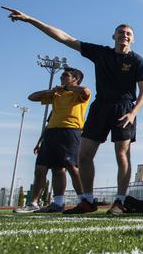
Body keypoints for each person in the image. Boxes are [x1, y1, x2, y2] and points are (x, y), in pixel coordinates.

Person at [3, 7, 143, 215]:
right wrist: (30, 20)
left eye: (128, 34)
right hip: (100, 107)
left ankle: (120, 201)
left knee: (122, 154)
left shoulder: (138, 61)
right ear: (114, 36)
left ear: (133, 39)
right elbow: (65, 38)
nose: (124, 35)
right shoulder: (100, 53)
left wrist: (134, 112)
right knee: (83, 155)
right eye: (121, 32)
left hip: (125, 107)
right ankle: (87, 200)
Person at [13, 68, 90, 214]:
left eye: (65, 75)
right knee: (45, 168)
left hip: (70, 132)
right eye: (61, 75)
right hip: (52, 133)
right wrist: (51, 92)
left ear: (76, 79)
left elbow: (86, 91)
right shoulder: (56, 94)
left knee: (72, 167)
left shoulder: (78, 94)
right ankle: (44, 203)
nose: (61, 77)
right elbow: (32, 97)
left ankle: (84, 201)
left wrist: (67, 88)